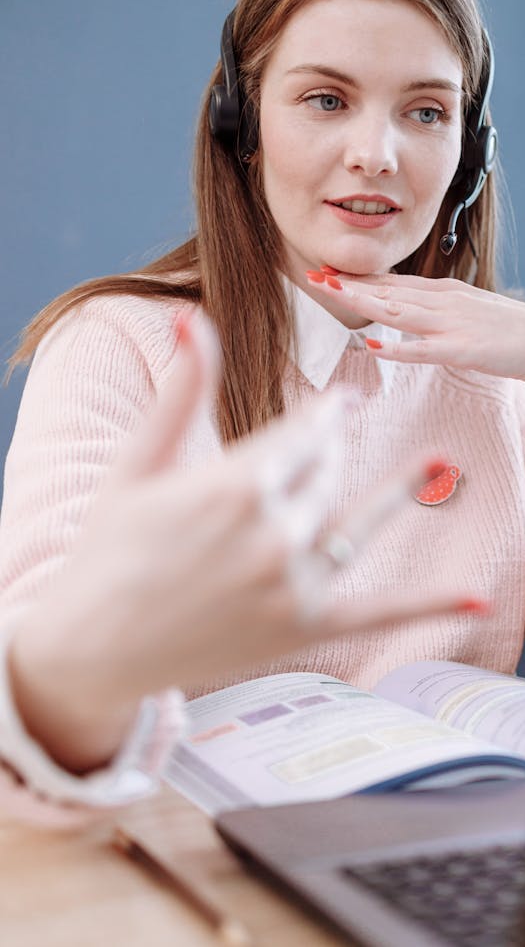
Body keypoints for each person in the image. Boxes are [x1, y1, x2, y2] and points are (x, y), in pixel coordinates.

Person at [1, 0, 525, 797]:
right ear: (244, 124)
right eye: (326, 99)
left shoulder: (500, 392)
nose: (376, 154)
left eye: (426, 112)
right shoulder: (114, 349)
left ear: (467, 155)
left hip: (426, 861)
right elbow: (35, 702)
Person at [0, 309, 479, 821]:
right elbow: (49, 619)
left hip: (461, 826)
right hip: (184, 853)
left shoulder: (492, 371)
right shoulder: (113, 338)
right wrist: (75, 685)